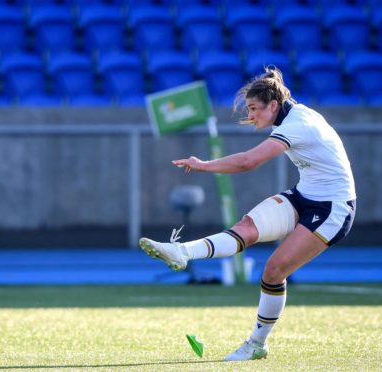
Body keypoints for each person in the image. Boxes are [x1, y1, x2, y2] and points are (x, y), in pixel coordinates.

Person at [139, 67, 356, 361]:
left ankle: (257, 344)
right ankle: (181, 251)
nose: (251, 115)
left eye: (254, 108)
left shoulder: (298, 124)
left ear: (274, 105)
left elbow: (248, 162)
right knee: (247, 227)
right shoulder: (294, 117)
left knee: (274, 270)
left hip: (333, 208)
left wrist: (202, 164)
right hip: (304, 196)